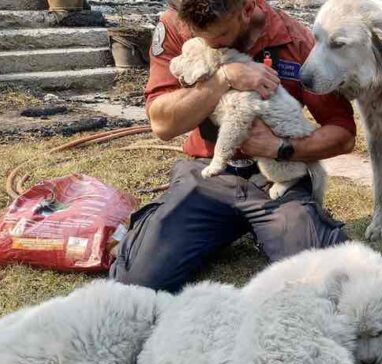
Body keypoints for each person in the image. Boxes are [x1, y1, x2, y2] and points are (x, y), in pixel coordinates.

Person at [110, 0, 356, 292]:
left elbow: (343, 134)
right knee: (137, 282)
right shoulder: (179, 25)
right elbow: (163, 125)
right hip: (207, 175)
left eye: (221, 35)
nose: (209, 43)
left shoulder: (294, 38)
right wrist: (224, 78)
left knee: (326, 281)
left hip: (274, 178)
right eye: (201, 36)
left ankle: (274, 227)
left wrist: (281, 148)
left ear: (247, 9)